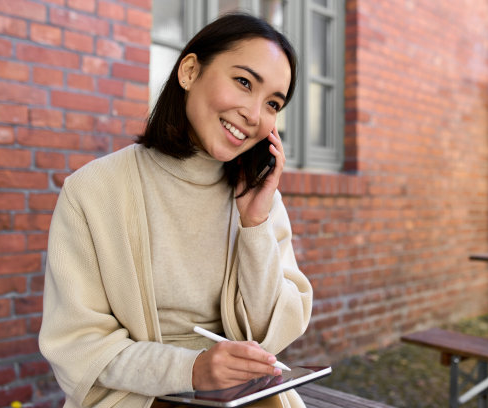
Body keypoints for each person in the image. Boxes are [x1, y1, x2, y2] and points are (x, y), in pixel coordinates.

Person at [39, 12, 313, 408]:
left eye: (272, 103)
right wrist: (192, 369)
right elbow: (79, 343)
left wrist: (255, 226)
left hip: (242, 396)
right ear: (189, 71)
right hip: (137, 395)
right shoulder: (93, 190)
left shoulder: (259, 196)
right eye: (243, 82)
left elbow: (270, 331)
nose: (254, 115)